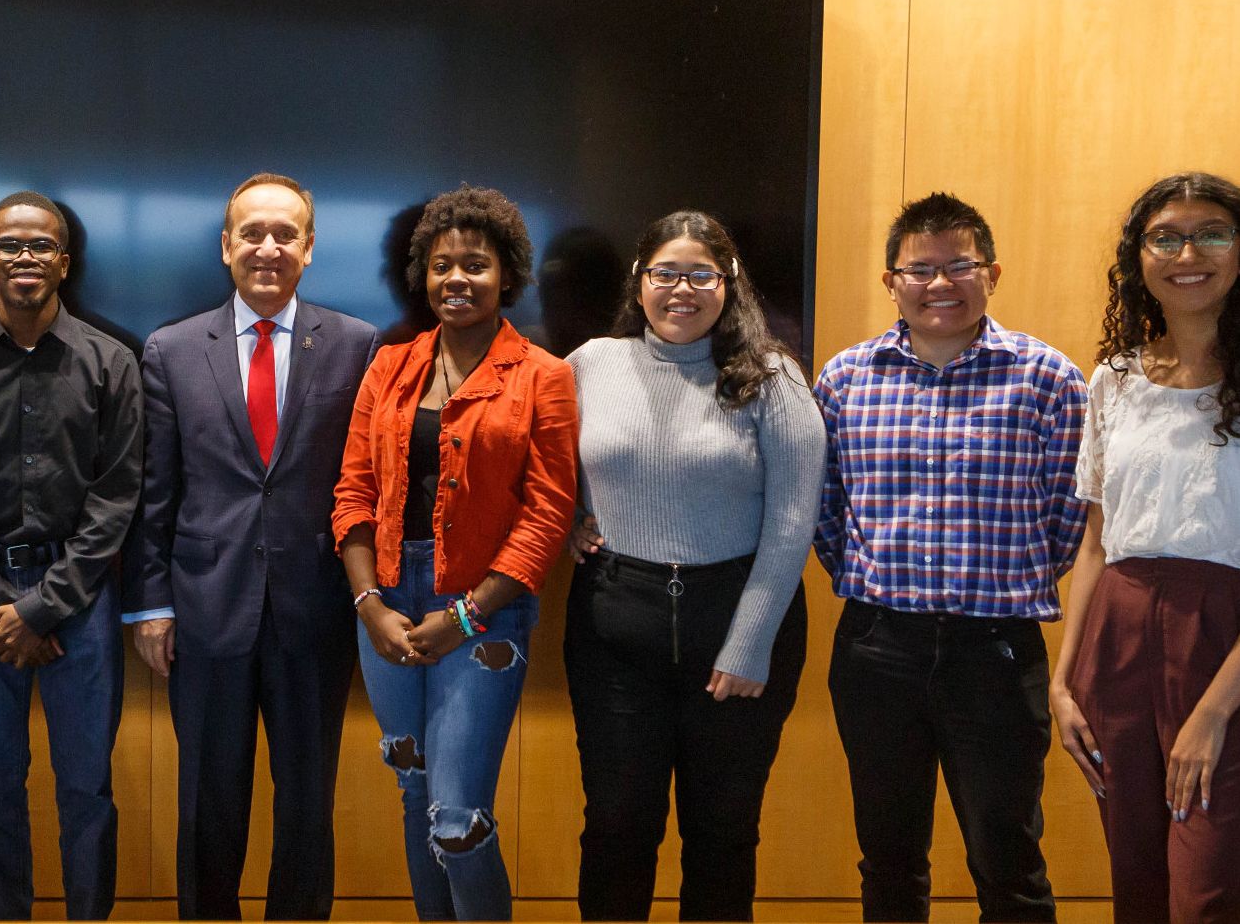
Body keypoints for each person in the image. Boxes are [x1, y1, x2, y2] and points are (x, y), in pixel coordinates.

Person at [814, 192, 1087, 922]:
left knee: (1007, 854)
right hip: (877, 647)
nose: (940, 284)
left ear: (990, 273)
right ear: (890, 281)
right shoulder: (844, 380)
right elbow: (823, 510)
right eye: (920, 269)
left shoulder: (1048, 379)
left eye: (959, 265)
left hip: (994, 650)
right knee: (888, 856)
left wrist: (1003, 581)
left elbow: (1070, 516)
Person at [123, 172, 377, 920]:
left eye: (285, 234)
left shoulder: (357, 346)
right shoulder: (170, 349)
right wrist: (150, 606)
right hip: (203, 613)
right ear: (226, 244)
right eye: (252, 233)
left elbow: (366, 480)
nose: (268, 248)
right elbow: (154, 490)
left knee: (306, 802)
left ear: (308, 248)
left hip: (315, 610)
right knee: (208, 799)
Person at [565, 210, 823, 921]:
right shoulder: (588, 365)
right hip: (615, 627)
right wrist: (568, 526)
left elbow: (793, 520)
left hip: (736, 621)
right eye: (665, 274)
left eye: (700, 274)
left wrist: (748, 643)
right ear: (638, 280)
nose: (682, 290)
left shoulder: (772, 377)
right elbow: (540, 473)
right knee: (617, 826)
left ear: (728, 280)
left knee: (721, 832)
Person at [331, 185, 577, 921]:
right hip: (385, 606)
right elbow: (352, 491)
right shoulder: (389, 366)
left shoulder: (544, 376)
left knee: (455, 815)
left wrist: (466, 616)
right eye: (441, 266)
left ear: (507, 275)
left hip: (484, 614)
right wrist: (368, 603)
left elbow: (547, 514)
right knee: (414, 791)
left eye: (475, 264)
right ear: (423, 275)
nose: (456, 280)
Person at [0, 190, 142, 920]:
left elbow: (116, 499)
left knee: (85, 790)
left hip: (82, 602)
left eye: (40, 245)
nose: (25, 257)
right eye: (9, 245)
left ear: (63, 263)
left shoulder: (112, 363)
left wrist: (40, 607)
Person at [1049, 171, 1240, 923]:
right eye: (1164, 236)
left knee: (1207, 891)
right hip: (1116, 643)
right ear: (1138, 257)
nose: (1186, 251)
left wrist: (1214, 713)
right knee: (1135, 879)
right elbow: (1098, 540)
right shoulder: (1114, 380)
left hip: (1222, 645)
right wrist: (1065, 681)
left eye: (1211, 233)